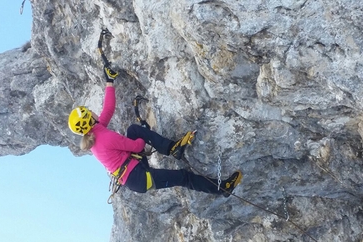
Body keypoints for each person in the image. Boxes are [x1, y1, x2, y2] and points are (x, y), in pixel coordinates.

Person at [67, 65, 242, 197]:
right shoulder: (104, 137)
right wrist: (145, 132)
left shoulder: (96, 133)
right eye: (89, 112)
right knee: (183, 177)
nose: (93, 111)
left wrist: (109, 81)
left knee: (133, 130)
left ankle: (172, 148)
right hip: (139, 177)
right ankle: (222, 189)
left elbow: (108, 109)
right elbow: (136, 147)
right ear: (88, 119)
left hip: (133, 170)